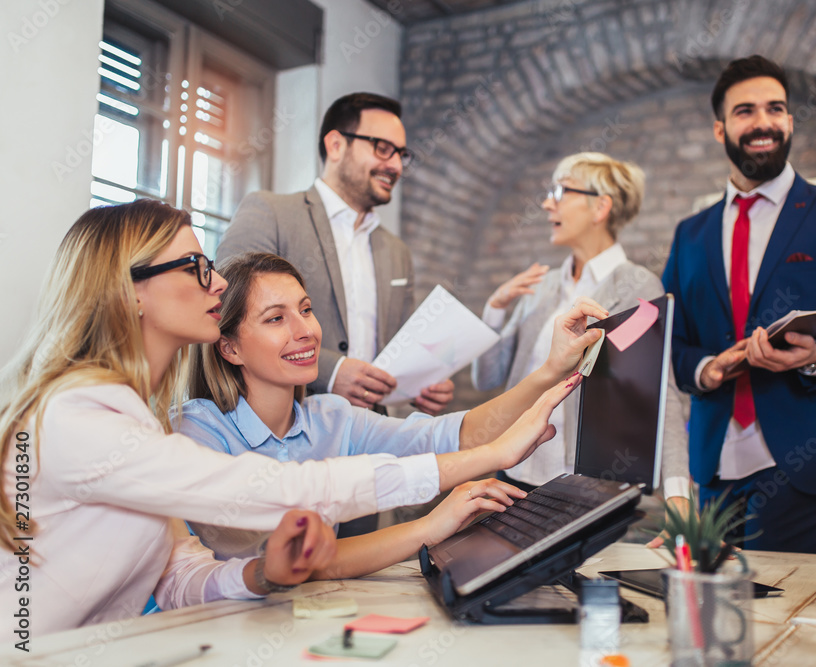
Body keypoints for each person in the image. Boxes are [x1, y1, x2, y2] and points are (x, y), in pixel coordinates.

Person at [0, 200, 593, 635]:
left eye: (304, 311)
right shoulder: (77, 414)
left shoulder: (135, 418)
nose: (216, 282)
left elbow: (180, 575)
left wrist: (262, 574)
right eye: (196, 267)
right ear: (131, 290)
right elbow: (275, 489)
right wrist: (486, 461)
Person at [175, 252, 592, 575]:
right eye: (275, 318)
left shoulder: (334, 417)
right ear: (229, 347)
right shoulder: (197, 430)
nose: (305, 330)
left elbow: (454, 436)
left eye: (305, 309)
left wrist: (551, 369)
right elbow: (281, 562)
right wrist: (430, 525)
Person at [661, 55, 816, 555]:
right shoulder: (690, 234)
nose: (763, 122)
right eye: (745, 111)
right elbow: (670, 344)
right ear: (720, 128)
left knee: (786, 620)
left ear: (789, 121)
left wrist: (815, 357)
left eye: (776, 109)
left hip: (806, 466)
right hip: (715, 466)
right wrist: (705, 368)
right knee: (721, 615)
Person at [473, 152, 689, 503]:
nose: (546, 204)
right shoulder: (541, 286)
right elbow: (486, 377)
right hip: (513, 472)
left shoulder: (637, 286)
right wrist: (495, 309)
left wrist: (679, 496)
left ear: (600, 208)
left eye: (560, 192)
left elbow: (660, 393)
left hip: (579, 485)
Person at [217, 93, 452, 415]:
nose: (395, 165)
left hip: (371, 433)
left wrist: (421, 379)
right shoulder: (270, 212)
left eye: (401, 153)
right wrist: (331, 372)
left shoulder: (397, 252)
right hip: (285, 422)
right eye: (383, 148)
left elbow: (396, 348)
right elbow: (227, 310)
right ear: (336, 145)